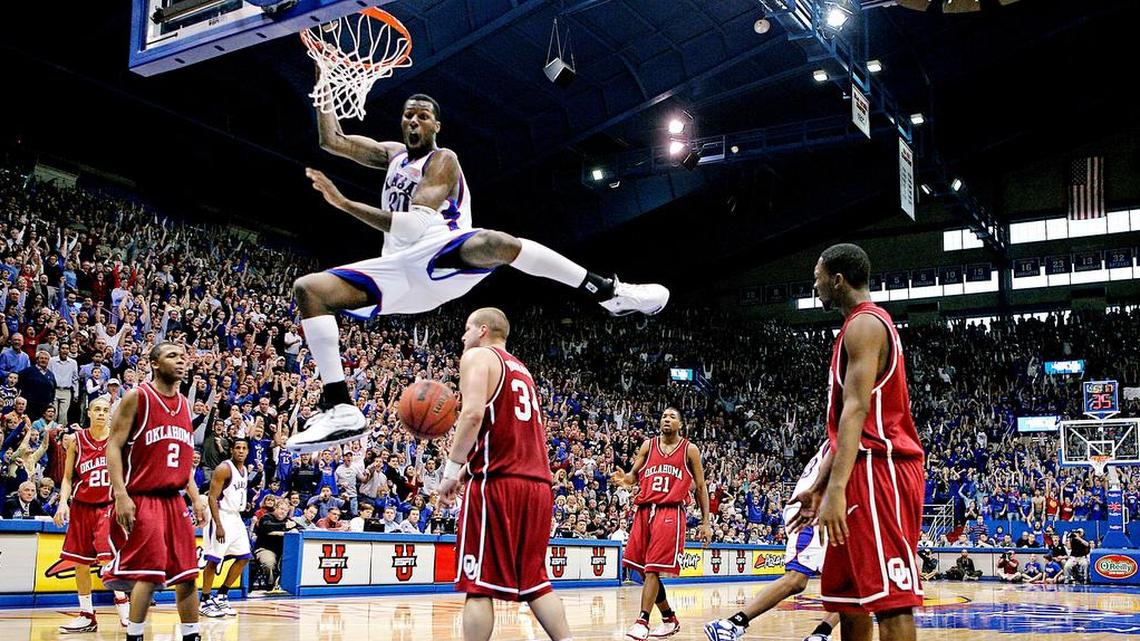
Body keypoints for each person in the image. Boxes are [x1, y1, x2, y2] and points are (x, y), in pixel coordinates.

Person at [285, 95, 670, 452]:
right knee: (310, 290)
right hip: (399, 273)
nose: (414, 121)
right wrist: (324, 89)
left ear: (437, 125)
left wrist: (344, 203)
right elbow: (332, 140)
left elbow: (416, 227)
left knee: (498, 243)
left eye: (423, 116)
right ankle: (339, 406)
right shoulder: (393, 155)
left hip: (441, 250)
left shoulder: (443, 161)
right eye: (408, 115)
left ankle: (607, 292)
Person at [790, 244, 924, 641]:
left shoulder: (866, 325)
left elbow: (857, 411)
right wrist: (819, 488)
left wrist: (834, 489)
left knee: (891, 603)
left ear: (837, 280)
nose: (814, 285)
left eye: (817, 277)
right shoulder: (853, 327)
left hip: (882, 469)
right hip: (857, 468)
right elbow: (842, 428)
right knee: (847, 603)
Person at [439, 308, 575, 641]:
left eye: (467, 329)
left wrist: (451, 470)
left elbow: (471, 414)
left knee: (478, 585)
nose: (463, 337)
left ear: (482, 330)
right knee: (536, 583)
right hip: (538, 486)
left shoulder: (478, 357)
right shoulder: (523, 371)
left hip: (497, 483)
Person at [104, 342, 205, 641]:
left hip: (175, 499)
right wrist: (120, 494)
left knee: (187, 575)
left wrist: (196, 497)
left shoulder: (185, 404)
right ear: (155, 363)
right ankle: (134, 636)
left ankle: (192, 635)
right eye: (172, 356)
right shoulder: (138, 397)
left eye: (183, 356)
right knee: (148, 573)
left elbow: (182, 457)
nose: (180, 361)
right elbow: (113, 445)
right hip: (143, 496)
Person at [706, 442, 840, 641]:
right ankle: (731, 624)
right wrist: (818, 496)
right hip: (814, 509)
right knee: (797, 579)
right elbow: (836, 456)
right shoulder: (851, 426)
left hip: (833, 511)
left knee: (857, 582)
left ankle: (821, 633)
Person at [611, 407, 712, 640]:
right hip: (645, 510)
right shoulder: (648, 445)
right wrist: (624, 480)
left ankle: (642, 621)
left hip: (670, 511)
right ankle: (669, 619)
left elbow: (701, 486)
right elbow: (633, 475)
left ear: (680, 424)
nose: (667, 419)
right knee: (639, 567)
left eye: (672, 416)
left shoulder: (690, 450)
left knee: (652, 569)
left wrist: (706, 522)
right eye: (664, 416)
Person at [54, 397, 131, 633]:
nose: (101, 413)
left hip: (107, 505)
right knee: (79, 563)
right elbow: (68, 477)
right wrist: (62, 503)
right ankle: (87, 615)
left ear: (110, 414)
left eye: (105, 410)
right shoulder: (77, 440)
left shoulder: (118, 440)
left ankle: (125, 611)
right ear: (89, 413)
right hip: (81, 506)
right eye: (97, 409)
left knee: (107, 558)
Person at [200, 439, 252, 618]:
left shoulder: (245, 470)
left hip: (236, 517)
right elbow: (212, 498)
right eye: (237, 447)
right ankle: (205, 600)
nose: (241, 451)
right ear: (231, 450)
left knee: (244, 557)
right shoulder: (224, 468)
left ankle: (222, 595)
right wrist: (219, 525)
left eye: (244, 448)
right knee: (214, 560)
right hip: (220, 515)